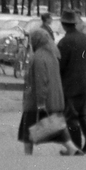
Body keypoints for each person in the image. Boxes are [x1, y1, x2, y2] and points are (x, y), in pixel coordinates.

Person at [19, 26, 68, 155]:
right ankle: (73, 149)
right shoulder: (52, 54)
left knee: (28, 133)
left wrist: (41, 103)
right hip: (54, 101)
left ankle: (27, 157)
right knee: (58, 132)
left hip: (35, 104)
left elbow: (41, 82)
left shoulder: (39, 57)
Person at [57, 9, 86, 154]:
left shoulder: (64, 42)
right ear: (75, 23)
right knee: (82, 113)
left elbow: (60, 67)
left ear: (63, 25)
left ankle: (75, 148)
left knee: (71, 117)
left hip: (72, 86)